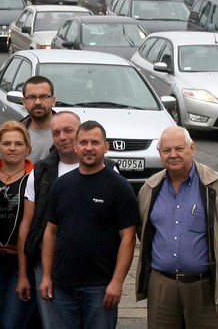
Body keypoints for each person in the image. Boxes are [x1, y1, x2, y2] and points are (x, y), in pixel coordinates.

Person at [135, 126, 218, 329]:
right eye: (166, 150)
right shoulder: (150, 188)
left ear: (192, 148)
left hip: (205, 287)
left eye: (179, 148)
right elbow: (142, 230)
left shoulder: (217, 185)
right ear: (160, 154)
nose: (173, 155)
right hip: (162, 287)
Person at [38, 121, 139, 329]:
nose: (89, 147)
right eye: (83, 142)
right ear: (75, 146)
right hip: (62, 286)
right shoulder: (61, 185)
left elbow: (128, 238)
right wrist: (47, 276)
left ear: (106, 147)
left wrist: (117, 282)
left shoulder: (119, 187)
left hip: (100, 288)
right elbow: (50, 232)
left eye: (95, 142)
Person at [16, 110, 81, 329]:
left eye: (68, 131)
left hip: (92, 272)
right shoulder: (40, 172)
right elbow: (27, 225)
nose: (62, 137)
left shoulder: (107, 170)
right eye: (56, 133)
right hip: (47, 268)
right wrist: (24, 274)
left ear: (80, 132)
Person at [0, 121, 36, 329]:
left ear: (27, 148)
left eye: (18, 143)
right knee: (0, 322)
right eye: (6, 143)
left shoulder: (35, 177)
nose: (12, 148)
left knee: (12, 323)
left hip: (22, 263)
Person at [21, 76, 57, 163]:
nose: (37, 102)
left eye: (43, 96)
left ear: (53, 100)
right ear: (24, 102)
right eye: (32, 97)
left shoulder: (70, 135)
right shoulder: (16, 134)